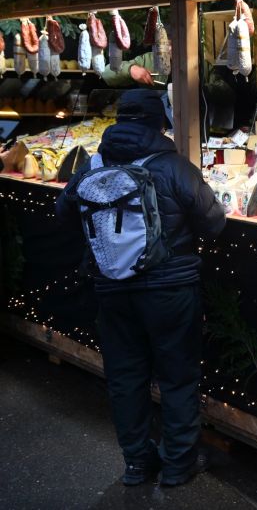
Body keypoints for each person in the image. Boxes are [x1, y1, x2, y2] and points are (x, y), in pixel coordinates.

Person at [56, 89, 226, 487]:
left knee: (125, 377)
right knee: (177, 376)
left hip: (112, 288)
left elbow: (63, 212)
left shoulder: (93, 162)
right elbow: (214, 223)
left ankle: (136, 463)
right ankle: (178, 464)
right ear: (158, 123)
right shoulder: (172, 165)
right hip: (170, 288)